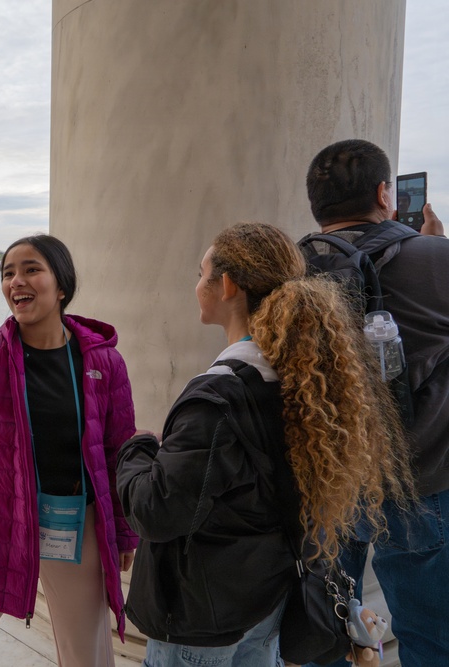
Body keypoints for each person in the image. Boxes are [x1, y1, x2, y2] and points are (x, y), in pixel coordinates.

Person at [116, 222, 414, 667]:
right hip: (267, 601)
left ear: (228, 285)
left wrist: (137, 450)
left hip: (205, 618)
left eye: (202, 273)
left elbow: (158, 510)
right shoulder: (306, 382)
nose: (197, 285)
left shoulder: (217, 397)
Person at [0, 235, 139, 667]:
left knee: (85, 651)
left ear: (62, 285)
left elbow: (118, 451)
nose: (17, 280)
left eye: (31, 269)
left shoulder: (103, 362)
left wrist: (124, 530)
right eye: (8, 272)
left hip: (76, 519)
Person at [303, 139, 449, 667]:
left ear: (315, 206)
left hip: (325, 484)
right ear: (386, 193)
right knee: (430, 641)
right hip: (420, 483)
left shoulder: (293, 275)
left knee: (319, 627)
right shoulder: (436, 260)